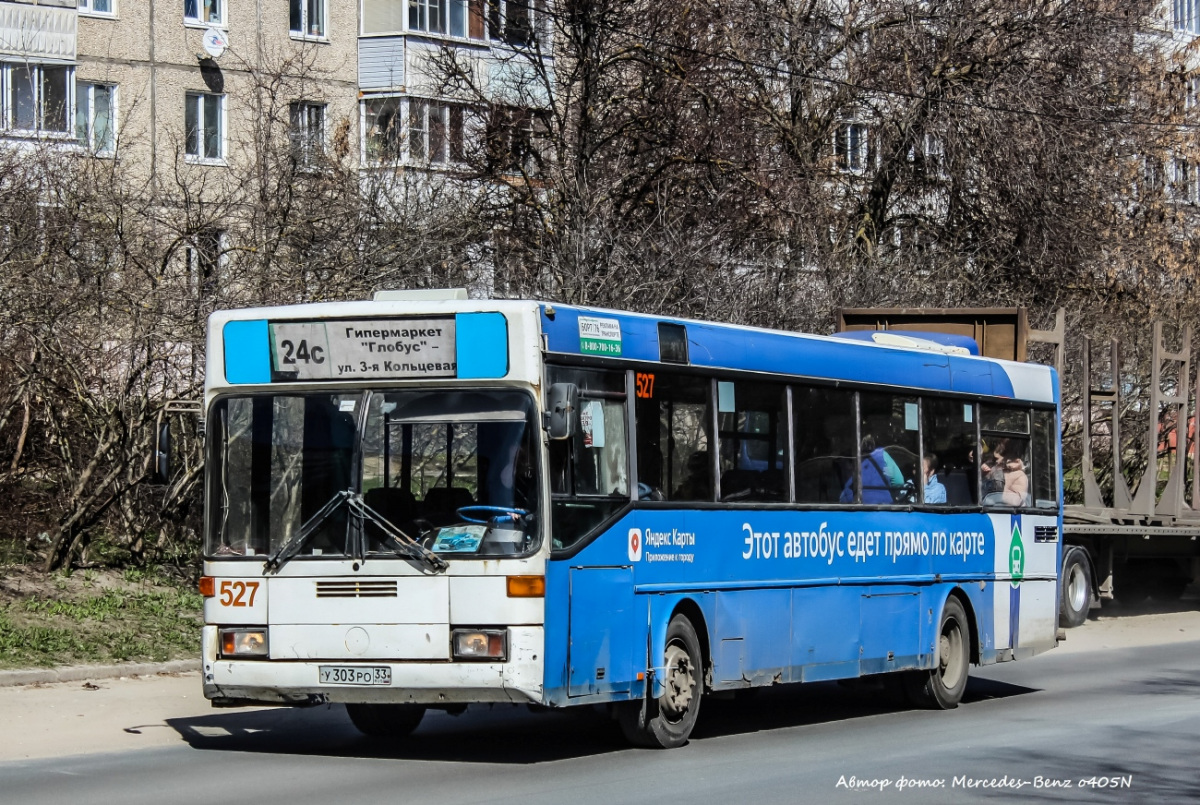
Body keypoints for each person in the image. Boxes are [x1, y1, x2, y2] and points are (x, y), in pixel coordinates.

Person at [840, 435, 905, 504]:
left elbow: (846, 492)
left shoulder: (857, 461)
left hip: (861, 507)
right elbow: (899, 481)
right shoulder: (883, 456)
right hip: (885, 506)